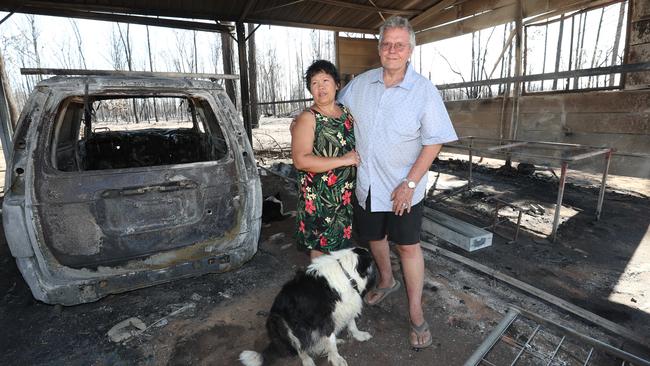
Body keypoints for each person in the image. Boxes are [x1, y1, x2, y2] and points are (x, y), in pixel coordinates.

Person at [337, 16, 458, 349]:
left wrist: (409, 182)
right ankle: (387, 280)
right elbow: (332, 111)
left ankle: (416, 312)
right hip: (368, 183)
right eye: (386, 43)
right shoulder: (360, 85)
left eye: (399, 45)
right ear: (379, 48)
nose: (392, 50)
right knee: (374, 236)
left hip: (404, 186)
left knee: (407, 246)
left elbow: (434, 141)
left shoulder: (423, 91)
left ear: (410, 51)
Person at [291, 60, 360, 260]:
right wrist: (343, 160)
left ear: (337, 84)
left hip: (343, 199)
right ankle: (321, 289)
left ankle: (333, 288)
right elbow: (301, 160)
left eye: (325, 80)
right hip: (320, 200)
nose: (320, 87)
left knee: (339, 250)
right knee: (320, 251)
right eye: (314, 83)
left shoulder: (346, 113)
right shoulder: (308, 118)